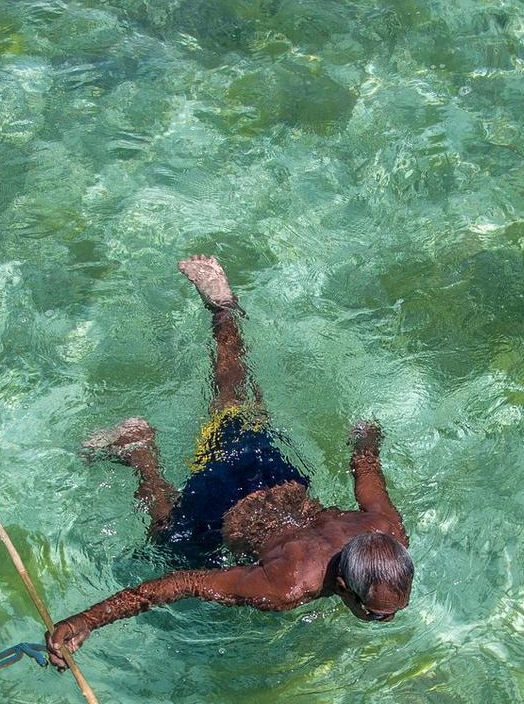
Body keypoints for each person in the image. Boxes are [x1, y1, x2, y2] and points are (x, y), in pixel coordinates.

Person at [41, 255, 412, 669]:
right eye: (379, 613)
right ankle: (138, 449)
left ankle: (222, 306)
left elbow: (366, 468)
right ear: (343, 585)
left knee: (233, 393)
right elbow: (185, 583)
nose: (389, 618)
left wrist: (366, 437)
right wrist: (89, 621)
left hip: (273, 470)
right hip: (219, 502)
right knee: (169, 543)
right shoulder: (286, 586)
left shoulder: (386, 529)